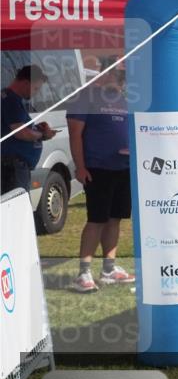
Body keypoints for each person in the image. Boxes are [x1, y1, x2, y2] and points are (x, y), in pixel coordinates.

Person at [67, 63, 134, 292]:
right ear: (105, 73)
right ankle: (83, 273)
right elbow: (75, 133)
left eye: (124, 76)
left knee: (115, 218)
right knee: (96, 219)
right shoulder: (85, 97)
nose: (122, 79)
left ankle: (108, 269)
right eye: (118, 74)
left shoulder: (124, 99)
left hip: (123, 167)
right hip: (97, 168)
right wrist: (80, 166)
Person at [1, 65, 57, 194]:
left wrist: (35, 128)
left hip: (13, 166)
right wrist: (42, 135)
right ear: (26, 83)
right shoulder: (11, 100)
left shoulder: (9, 98)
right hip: (13, 168)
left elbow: (16, 128)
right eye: (35, 88)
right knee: (16, 204)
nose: (36, 93)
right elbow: (20, 132)